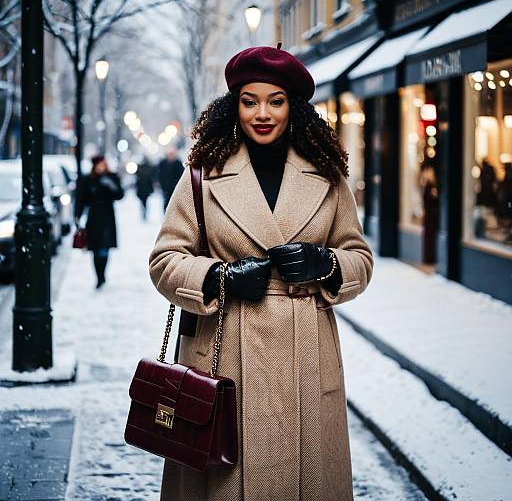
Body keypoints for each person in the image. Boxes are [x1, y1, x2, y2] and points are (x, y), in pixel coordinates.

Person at [149, 44, 373, 501]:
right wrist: (219, 278)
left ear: (293, 107)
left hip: (306, 359)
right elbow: (165, 259)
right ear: (236, 107)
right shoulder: (203, 175)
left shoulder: (327, 176)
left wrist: (325, 264)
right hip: (225, 353)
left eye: (275, 100)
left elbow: (359, 257)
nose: (262, 113)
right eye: (250, 101)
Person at [75, 155, 124, 289]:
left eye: (104, 164)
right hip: (93, 219)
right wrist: (77, 216)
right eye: (101, 164)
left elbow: (120, 195)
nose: (103, 166)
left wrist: (110, 185)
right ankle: (98, 277)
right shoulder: (88, 179)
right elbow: (81, 200)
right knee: (96, 250)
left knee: (105, 249)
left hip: (107, 218)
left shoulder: (111, 177)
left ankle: (102, 276)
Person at [157, 146, 184, 212]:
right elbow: (159, 174)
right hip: (165, 187)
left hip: (175, 187)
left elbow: (181, 175)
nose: (171, 156)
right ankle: (166, 215)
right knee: (166, 202)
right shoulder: (162, 163)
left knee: (174, 203)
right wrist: (161, 184)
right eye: (169, 154)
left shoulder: (178, 163)